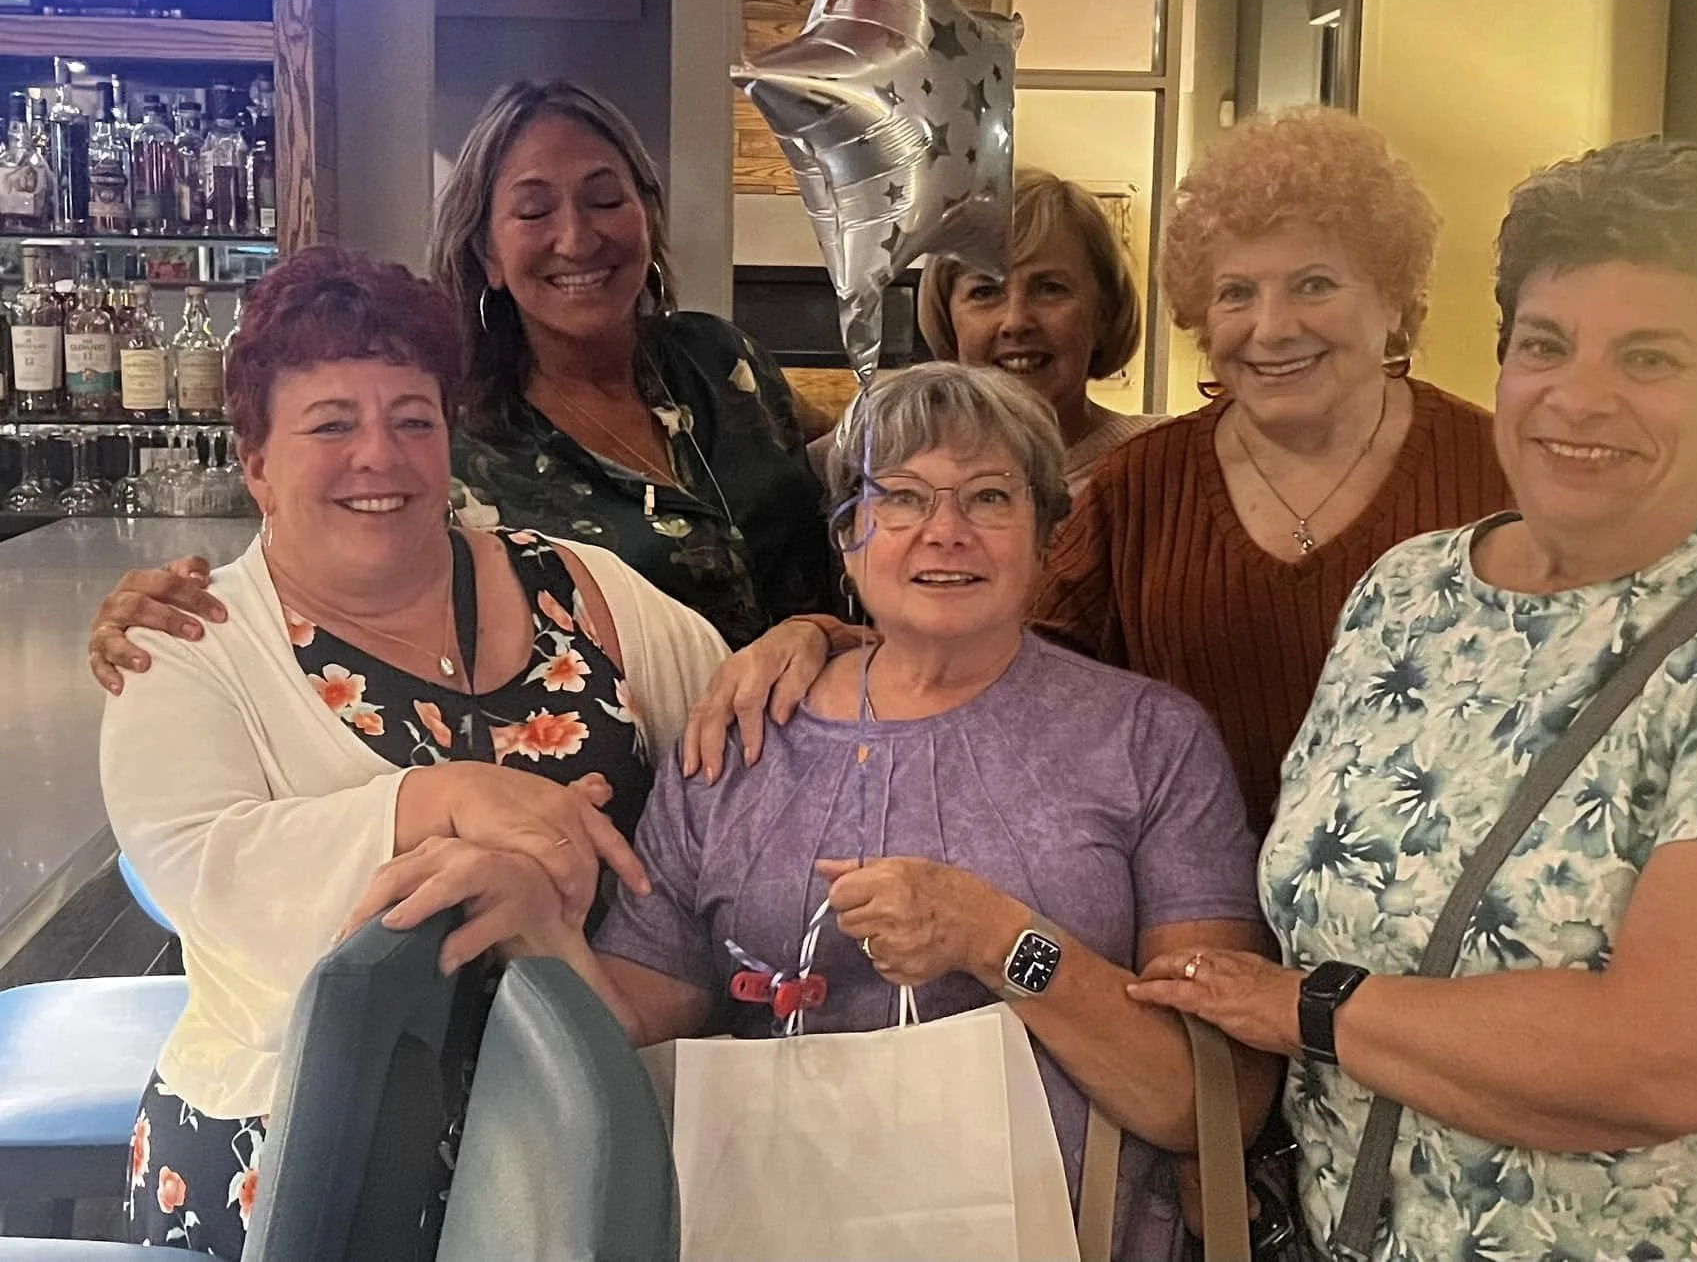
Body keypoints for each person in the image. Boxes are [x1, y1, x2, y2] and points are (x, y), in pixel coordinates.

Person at [1126, 139, 1697, 1259]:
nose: (1578, 395)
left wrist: (1308, 1008)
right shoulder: (1407, 594)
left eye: (1647, 358)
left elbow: (1686, 1049)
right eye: (1543, 345)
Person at [356, 362, 1276, 1262]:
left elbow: (1206, 1100)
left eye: (990, 497)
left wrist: (996, 939)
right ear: (846, 535)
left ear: (1046, 533)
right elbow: (642, 1020)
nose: (944, 531)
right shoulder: (740, 738)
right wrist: (542, 932)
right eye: (903, 498)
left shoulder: (1148, 740)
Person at [101, 249, 730, 1259]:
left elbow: (743, 753)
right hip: (312, 1162)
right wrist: (438, 798)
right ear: (255, 459)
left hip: (601, 1121)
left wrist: (812, 645)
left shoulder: (582, 586)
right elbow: (206, 869)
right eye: (331, 423)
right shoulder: (186, 643)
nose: (378, 455)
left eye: (410, 418)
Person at [698, 109, 1509, 822]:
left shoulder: (1500, 475)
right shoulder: (1142, 486)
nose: (1271, 327)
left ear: (1393, 296)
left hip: (1431, 944)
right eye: (1235, 294)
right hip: (1178, 905)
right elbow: (991, 661)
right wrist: (822, 636)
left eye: (1315, 284)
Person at [88, 79, 836, 691]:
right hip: (632, 803)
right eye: (534, 211)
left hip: (849, 758)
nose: (578, 238)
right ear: (486, 253)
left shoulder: (721, 356)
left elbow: (846, 467)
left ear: (648, 212)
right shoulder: (452, 432)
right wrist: (173, 607)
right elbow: (311, 569)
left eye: (606, 199)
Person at [918, 166, 1164, 484]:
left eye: (1049, 288)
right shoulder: (895, 468)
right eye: (985, 292)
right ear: (947, 316)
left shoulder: (1165, 466)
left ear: (1104, 313)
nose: (1016, 321)